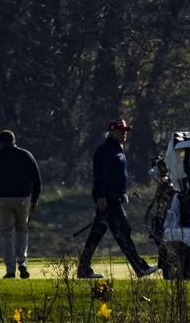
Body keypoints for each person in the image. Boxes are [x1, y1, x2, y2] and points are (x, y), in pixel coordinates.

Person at [77, 118, 157, 279]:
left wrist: (122, 193)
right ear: (112, 131)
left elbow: (115, 176)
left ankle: (83, 269)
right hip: (108, 200)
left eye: (126, 131)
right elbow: (100, 176)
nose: (124, 134)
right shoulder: (105, 150)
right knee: (123, 232)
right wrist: (100, 197)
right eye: (121, 131)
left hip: (114, 198)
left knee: (97, 234)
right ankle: (140, 267)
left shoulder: (116, 149)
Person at [0, 129, 41, 279]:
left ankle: (10, 270)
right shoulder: (25, 155)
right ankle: (22, 262)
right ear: (14, 140)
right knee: (22, 229)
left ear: (0, 142)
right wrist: (34, 200)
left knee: (6, 233)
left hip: (3, 198)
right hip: (24, 197)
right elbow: (37, 181)